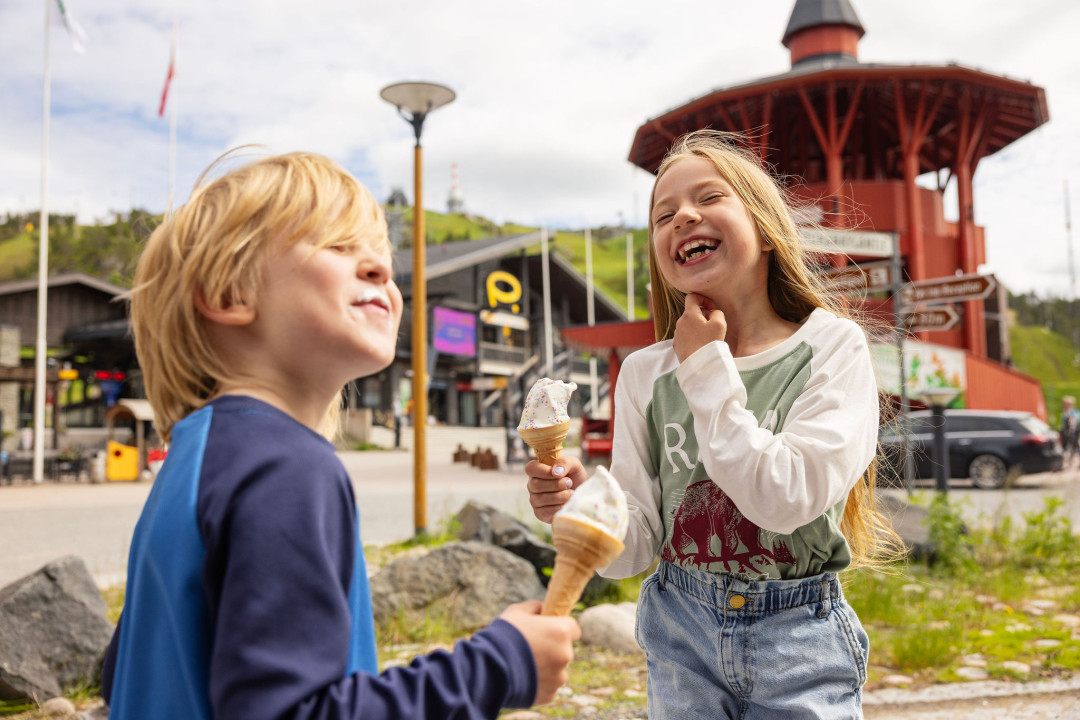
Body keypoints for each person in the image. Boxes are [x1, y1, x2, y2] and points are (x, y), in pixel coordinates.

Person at [100, 151, 579, 720]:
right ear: (229, 293)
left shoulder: (195, 457)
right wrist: (499, 666)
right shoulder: (285, 466)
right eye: (338, 245)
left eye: (380, 254)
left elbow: (124, 670)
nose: (380, 268)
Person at [525, 130, 899, 719]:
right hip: (681, 631)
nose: (683, 217)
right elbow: (633, 551)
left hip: (798, 635)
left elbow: (785, 499)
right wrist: (581, 510)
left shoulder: (832, 346)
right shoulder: (645, 374)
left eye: (709, 197)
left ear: (766, 229)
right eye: (663, 214)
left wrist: (703, 365)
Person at [1060, 396, 1079, 468]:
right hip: (1066, 432)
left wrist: (1071, 420)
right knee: (1067, 447)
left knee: (1075, 446)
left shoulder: (1074, 412)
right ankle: (1067, 463)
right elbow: (1063, 422)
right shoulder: (1064, 412)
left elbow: (1074, 421)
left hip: (1073, 431)